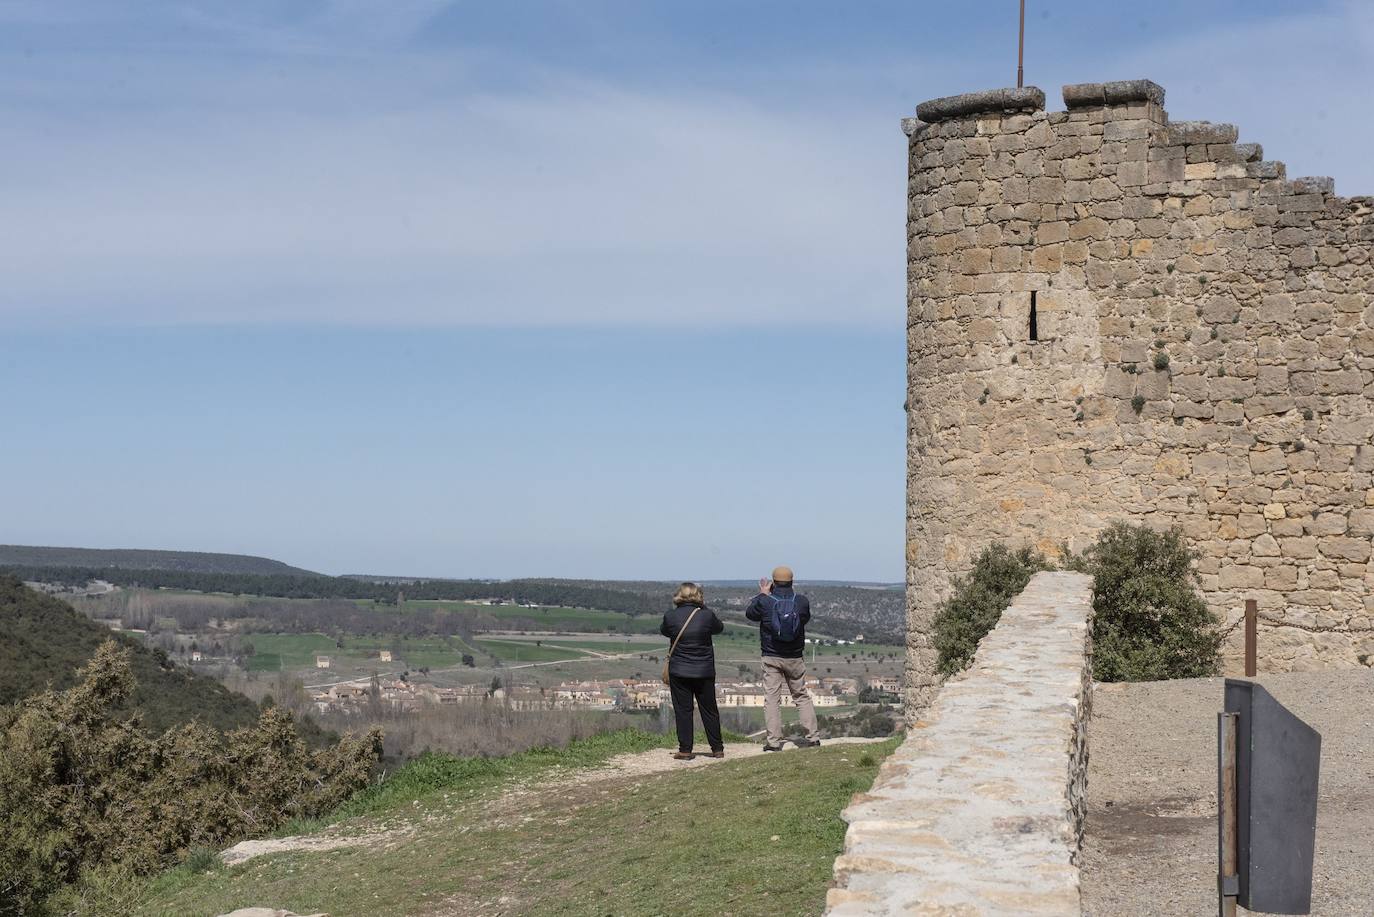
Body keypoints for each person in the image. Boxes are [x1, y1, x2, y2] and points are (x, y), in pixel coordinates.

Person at [745, 565, 820, 751]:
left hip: (771, 656)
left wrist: (762, 594)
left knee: (772, 698)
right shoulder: (801, 601)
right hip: (795, 656)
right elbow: (805, 619)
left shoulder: (766, 601)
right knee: (801, 696)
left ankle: (774, 742)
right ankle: (813, 737)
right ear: (792, 581)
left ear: (773, 582)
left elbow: (750, 614)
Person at [659, 582, 725, 760]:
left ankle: (685, 750)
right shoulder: (707, 615)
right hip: (704, 670)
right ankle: (717, 748)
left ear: (678, 596)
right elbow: (719, 628)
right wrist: (703, 608)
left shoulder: (670, 616)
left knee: (683, 710)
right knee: (709, 710)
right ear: (699, 596)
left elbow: (664, 631)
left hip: (679, 670)